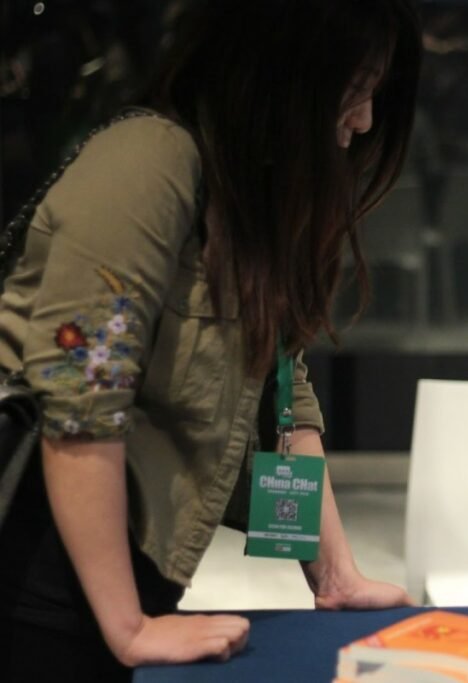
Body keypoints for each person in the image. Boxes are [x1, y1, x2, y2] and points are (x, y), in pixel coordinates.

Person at [0, 0, 422, 679]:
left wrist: (336, 575)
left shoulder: (245, 195)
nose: (365, 117)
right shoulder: (149, 162)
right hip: (37, 584)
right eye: (356, 85)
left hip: (125, 577)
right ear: (283, 73)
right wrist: (128, 626)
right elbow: (82, 400)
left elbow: (288, 396)